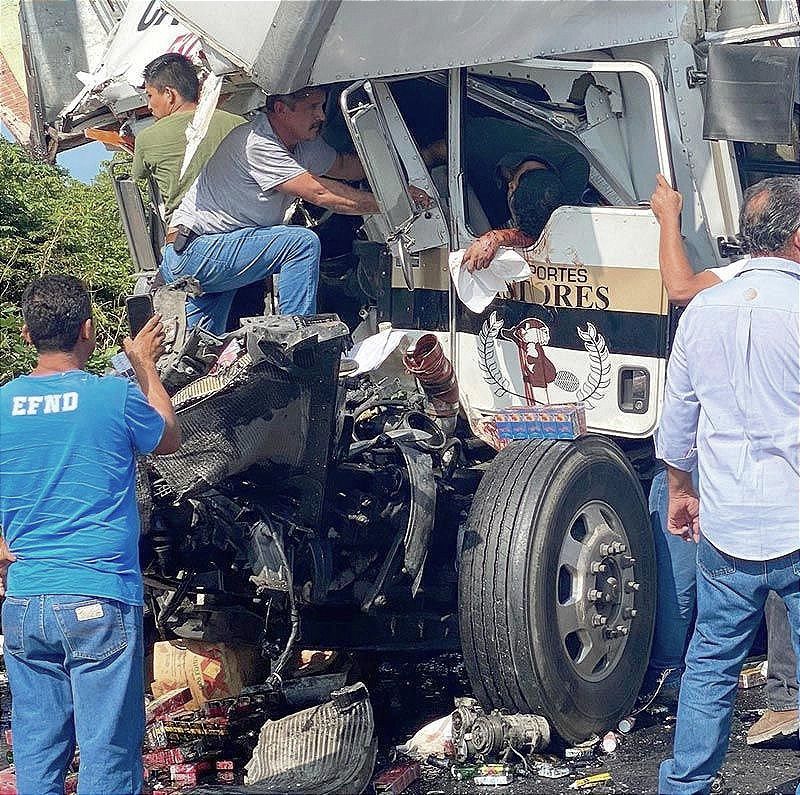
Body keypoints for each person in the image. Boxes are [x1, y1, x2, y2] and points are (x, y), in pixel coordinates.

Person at [0, 275, 181, 795]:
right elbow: (168, 438)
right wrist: (146, 365)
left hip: (27, 600)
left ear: (25, 331)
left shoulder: (4, 402)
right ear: (89, 331)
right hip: (98, 598)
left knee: (35, 747)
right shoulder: (113, 395)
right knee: (109, 752)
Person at [655, 176, 800, 794]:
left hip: (726, 523)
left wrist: (682, 489)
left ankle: (686, 785)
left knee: (711, 662)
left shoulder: (704, 309)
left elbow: (677, 421)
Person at [167, 86, 417, 334]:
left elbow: (345, 166)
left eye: (321, 106)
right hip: (198, 249)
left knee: (200, 350)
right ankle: (295, 341)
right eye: (312, 108)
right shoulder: (258, 142)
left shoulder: (303, 146)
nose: (321, 116)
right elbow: (322, 194)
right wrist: (397, 202)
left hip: (213, 251)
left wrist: (422, 157)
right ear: (281, 109)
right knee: (300, 243)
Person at [424, 115, 589, 272]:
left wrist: (496, 237)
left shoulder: (574, 169)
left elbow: (540, 233)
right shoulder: (478, 140)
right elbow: (429, 155)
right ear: (511, 187)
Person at [132, 53, 246, 225]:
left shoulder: (146, 138)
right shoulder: (237, 124)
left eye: (150, 95)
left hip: (187, 237)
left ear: (169, 94)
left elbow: (138, 175)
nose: (148, 105)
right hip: (242, 224)